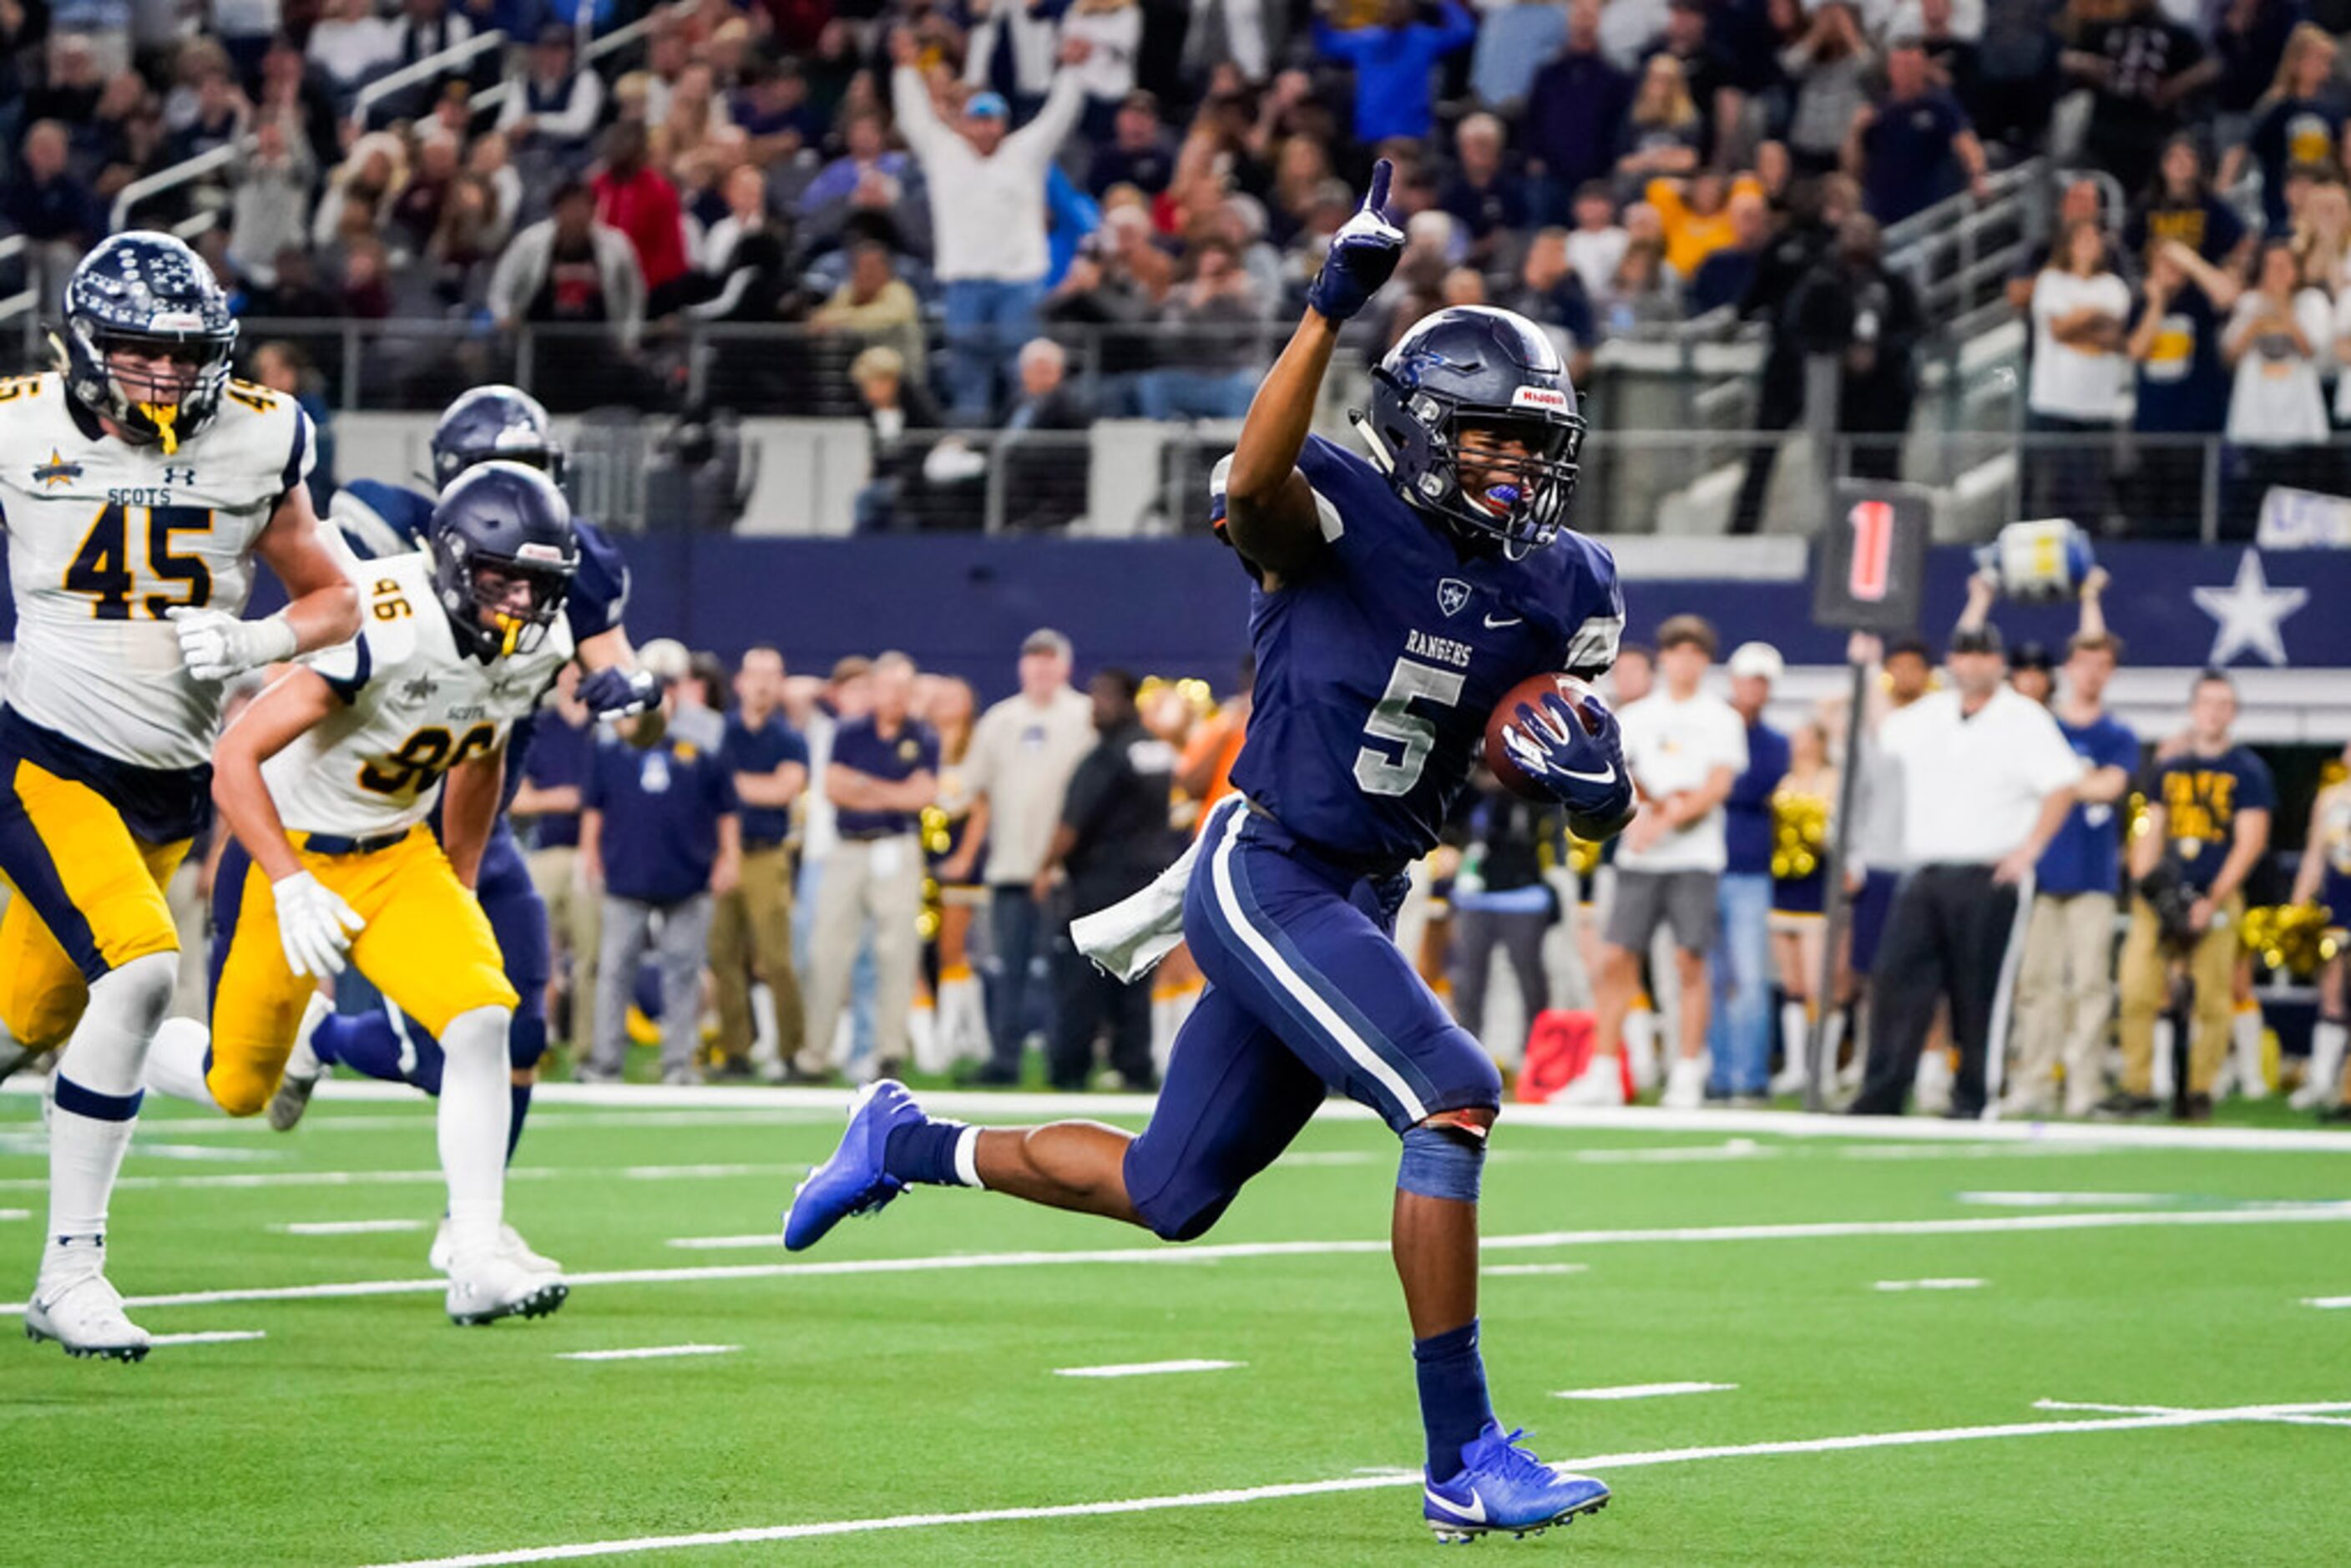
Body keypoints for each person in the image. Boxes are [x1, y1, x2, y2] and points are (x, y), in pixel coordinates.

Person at [783, 165, 1633, 1543]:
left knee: (1170, 1190)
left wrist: (1590, 789)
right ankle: (1461, 1452)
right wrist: (1323, 311)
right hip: (1269, 865)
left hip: (1361, 883)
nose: (1519, 471)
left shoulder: (1565, 583)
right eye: (1490, 443)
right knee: (1452, 1096)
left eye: (1534, 448)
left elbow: (1517, 749)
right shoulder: (1340, 513)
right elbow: (1253, 480)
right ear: (1423, 434)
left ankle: (906, 1139)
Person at [1, 234, 361, 1362]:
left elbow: (340, 602)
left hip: (164, 788)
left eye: (182, 356)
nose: (162, 378)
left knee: (27, 1025)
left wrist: (257, 636)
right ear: (85, 348)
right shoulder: (18, 421)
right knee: (146, 969)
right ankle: (72, 1272)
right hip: (45, 754)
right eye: (138, 355)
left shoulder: (262, 433)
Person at [141, 463, 572, 1327]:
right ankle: (116, 1045)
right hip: (286, 852)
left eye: (535, 584)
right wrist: (290, 880)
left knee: (484, 1017)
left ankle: (477, 1255)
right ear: (452, 562)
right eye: (499, 578)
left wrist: (458, 873)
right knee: (238, 1088)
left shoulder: (539, 650)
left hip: (398, 853)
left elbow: (480, 754)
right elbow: (235, 758)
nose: (518, 603)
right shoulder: (383, 618)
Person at [281, 390, 657, 1254]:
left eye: (531, 476)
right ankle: (328, 1036)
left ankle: (468, 1228)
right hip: (382, 825)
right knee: (446, 1049)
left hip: (482, 830)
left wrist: (634, 700)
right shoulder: (382, 539)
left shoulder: (575, 566)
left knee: (519, 1028)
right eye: (500, 479)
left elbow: (630, 704)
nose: (519, 507)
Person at [1849, 625, 2083, 1119]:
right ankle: (1882, 1092)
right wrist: (1869, 670)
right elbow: (1882, 731)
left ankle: (1974, 1096)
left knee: (1979, 992)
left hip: (1989, 873)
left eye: (1982, 656)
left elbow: (2062, 784)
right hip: (1927, 869)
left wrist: (2029, 851)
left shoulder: (2023, 718)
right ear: (1951, 663)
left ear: (1999, 663)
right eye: (1964, 655)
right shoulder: (1931, 714)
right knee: (1896, 981)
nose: (1972, 666)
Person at [1568, 615, 1747, 1110]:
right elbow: (1625, 774)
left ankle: (1687, 1069)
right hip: (1639, 860)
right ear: (1663, 659)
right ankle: (1604, 1069)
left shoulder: (1721, 718)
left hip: (1696, 859)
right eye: (1675, 652)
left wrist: (1664, 819)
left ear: (1704, 661)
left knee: (1689, 962)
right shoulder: (1639, 715)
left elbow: (1717, 786)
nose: (1684, 662)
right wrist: (1646, 811)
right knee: (1616, 962)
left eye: (1694, 653)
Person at [891, 28, 1092, 424]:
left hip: (1018, 285)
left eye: (992, 120)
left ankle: (1022, 452)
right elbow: (914, 118)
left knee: (1025, 376)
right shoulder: (944, 153)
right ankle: (971, 460)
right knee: (967, 377)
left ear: (1003, 123)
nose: (984, 128)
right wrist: (904, 70)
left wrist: (1070, 70)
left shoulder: (1024, 153)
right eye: (977, 120)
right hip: (964, 283)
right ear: (964, 123)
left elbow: (1058, 117)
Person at [2105, 673, 2273, 1120]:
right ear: (2193, 708)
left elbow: (2250, 842)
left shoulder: (2247, 770)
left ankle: (2199, 1090)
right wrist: (2152, 891)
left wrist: (2210, 900)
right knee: (2137, 987)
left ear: (2233, 712)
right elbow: (2149, 829)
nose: (2214, 712)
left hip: (2214, 897)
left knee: (2213, 997)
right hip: (2161, 898)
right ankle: (2137, 1087)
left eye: (2223, 704)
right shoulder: (2170, 768)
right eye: (2207, 702)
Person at [943, 630, 1098, 1085]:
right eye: (1034, 663)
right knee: (1006, 970)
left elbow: (1092, 796)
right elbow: (971, 788)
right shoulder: (1001, 720)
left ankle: (1063, 1061)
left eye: (1050, 663)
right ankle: (1004, 1060)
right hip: (1009, 867)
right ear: (1022, 667)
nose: (1041, 672)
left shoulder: (1084, 717)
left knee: (1064, 972)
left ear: (1064, 668)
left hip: (1064, 872)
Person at [579, 679, 743, 1087]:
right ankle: (605, 1062)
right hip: (625, 874)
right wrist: (590, 854)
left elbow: (726, 808)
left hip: (689, 874)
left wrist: (729, 857)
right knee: (614, 969)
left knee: (683, 971)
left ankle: (679, 1063)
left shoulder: (700, 746)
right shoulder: (615, 746)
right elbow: (594, 806)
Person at [1032, 668, 1180, 1090]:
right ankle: (1134, 1065)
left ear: (1126, 700)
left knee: (1082, 975)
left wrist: (1044, 867)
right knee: (1136, 973)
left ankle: (1070, 1066)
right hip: (1149, 879)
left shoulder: (1105, 756)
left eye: (1103, 698)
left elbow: (1072, 825)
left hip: (1101, 880)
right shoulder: (1155, 750)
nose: (1094, 707)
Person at [801, 652, 938, 1082]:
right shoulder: (850, 731)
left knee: (896, 952)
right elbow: (833, 787)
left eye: (903, 689)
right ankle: (814, 1053)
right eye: (887, 687)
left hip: (897, 847)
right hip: (849, 848)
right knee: (826, 950)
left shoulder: (924, 736)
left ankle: (888, 1052)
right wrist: (892, 791)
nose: (895, 698)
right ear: (874, 689)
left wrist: (866, 787)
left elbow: (922, 796)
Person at [710, 647, 809, 1081]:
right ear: (740, 681)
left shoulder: (789, 738)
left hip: (767, 853)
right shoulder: (720, 732)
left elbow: (784, 790)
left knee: (774, 957)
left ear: (782, 682)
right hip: (720, 855)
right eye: (756, 675)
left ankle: (791, 1051)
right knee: (721, 955)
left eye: (772, 675)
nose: (763, 684)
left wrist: (730, 785)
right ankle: (736, 1050)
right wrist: (749, 787)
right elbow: (706, 789)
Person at [1708, 641, 1787, 1104]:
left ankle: (1750, 1076)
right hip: (1706, 865)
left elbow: (1752, 786)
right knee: (1713, 976)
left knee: (1751, 978)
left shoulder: (1775, 744)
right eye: (1748, 679)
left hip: (1750, 869)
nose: (1753, 689)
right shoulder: (1712, 727)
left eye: (1762, 681)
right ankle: (1720, 1075)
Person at [2026, 219, 2131, 529]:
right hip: (2053, 404)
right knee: (2048, 495)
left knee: (2091, 496)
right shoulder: (2051, 280)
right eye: (2081, 238)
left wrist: (2077, 320)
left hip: (2097, 407)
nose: (2088, 245)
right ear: (2068, 245)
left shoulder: (2114, 287)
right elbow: (2058, 330)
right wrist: (2093, 314)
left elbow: (2113, 338)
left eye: (2094, 238)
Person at [1767, 713, 1838, 1098]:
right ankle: (1796, 1066)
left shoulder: (1832, 779)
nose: (1800, 742)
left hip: (1818, 884)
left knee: (1817, 982)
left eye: (1808, 735)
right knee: (1792, 982)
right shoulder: (1784, 778)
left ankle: (1821, 1068)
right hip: (1784, 885)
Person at [2288, 744, 2351, 1115]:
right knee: (2331, 992)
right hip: (2338, 906)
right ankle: (2322, 1080)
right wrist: (2298, 906)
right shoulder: (2330, 799)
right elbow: (2315, 855)